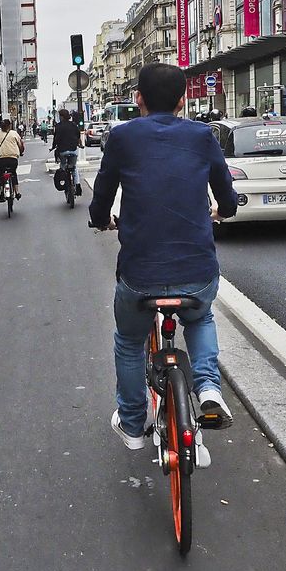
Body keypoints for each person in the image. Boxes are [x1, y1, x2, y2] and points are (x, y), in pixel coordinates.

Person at [88, 63, 239, 450]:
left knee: (129, 340)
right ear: (183, 99)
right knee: (200, 316)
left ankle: (134, 423)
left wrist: (101, 220)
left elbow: (102, 194)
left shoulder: (122, 137)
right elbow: (227, 198)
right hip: (197, 271)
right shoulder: (203, 135)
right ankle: (208, 390)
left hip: (140, 274)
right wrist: (223, 211)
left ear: (138, 98)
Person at [50, 107, 84, 196]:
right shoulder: (73, 125)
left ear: (61, 117)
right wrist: (80, 145)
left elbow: (56, 139)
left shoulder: (58, 126)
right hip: (73, 150)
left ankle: (65, 182)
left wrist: (52, 147)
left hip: (63, 151)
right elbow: (78, 136)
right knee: (74, 168)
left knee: (63, 166)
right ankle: (77, 185)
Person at [0, 119, 24, 202]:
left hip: (0, 159)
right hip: (12, 159)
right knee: (13, 174)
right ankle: (17, 192)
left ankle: (2, 192)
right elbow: (20, 145)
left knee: (1, 175)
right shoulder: (14, 133)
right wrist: (21, 152)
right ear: (9, 125)